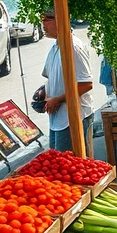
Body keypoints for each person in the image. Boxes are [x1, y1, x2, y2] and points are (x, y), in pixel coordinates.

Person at [40, 9, 94, 153]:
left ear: (59, 20)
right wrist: (43, 93)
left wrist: (57, 99)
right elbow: (52, 78)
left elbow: (86, 84)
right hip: (58, 118)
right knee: (58, 162)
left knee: (74, 165)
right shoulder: (55, 48)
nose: (43, 24)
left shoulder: (73, 47)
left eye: (46, 20)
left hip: (73, 117)